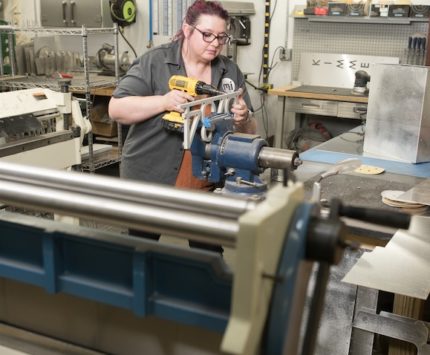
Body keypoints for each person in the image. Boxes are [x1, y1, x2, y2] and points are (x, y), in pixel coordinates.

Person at [108, 0, 256, 252]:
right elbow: (116, 109)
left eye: (221, 37)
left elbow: (250, 133)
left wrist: (244, 119)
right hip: (151, 180)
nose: (215, 43)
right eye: (207, 35)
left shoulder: (229, 71)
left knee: (208, 255)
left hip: (203, 183)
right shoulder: (155, 62)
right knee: (140, 251)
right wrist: (163, 101)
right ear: (187, 30)